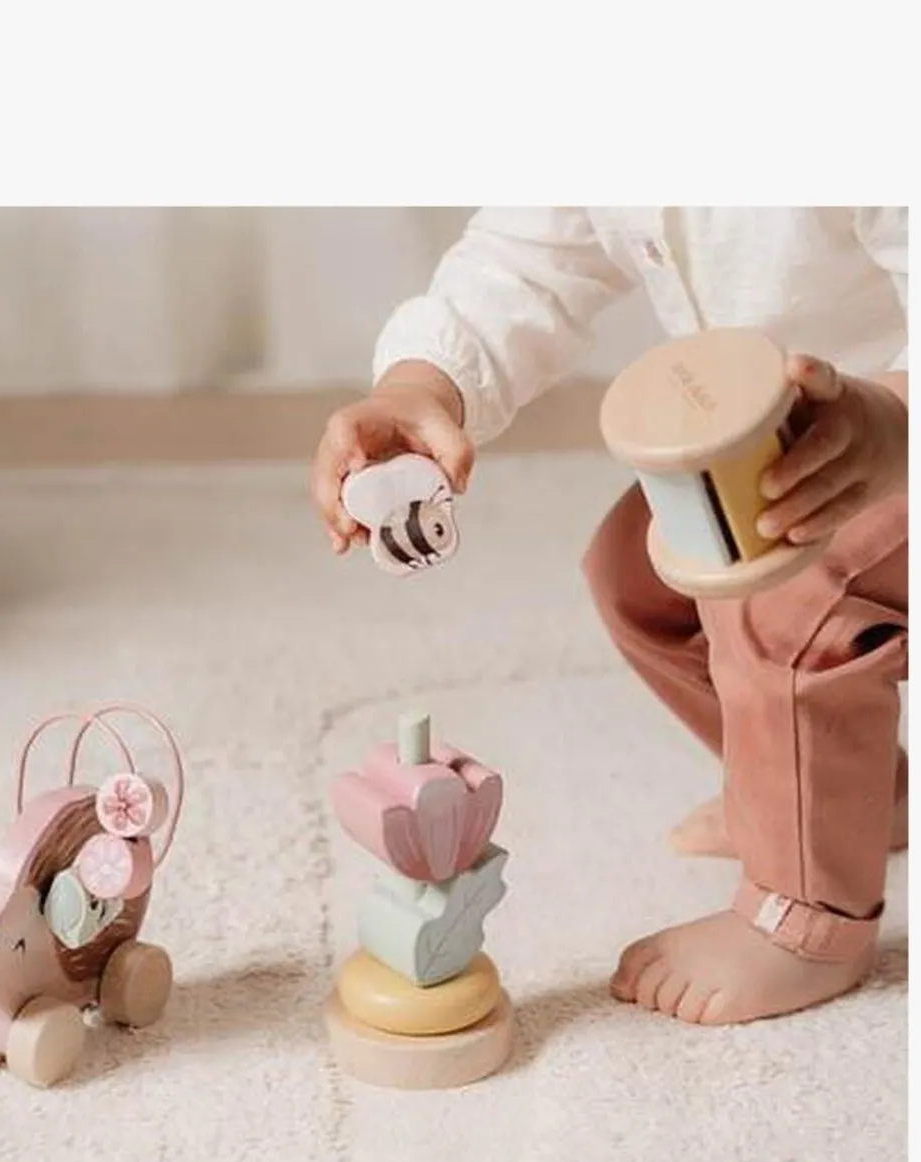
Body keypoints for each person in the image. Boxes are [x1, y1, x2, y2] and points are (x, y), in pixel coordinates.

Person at [310, 208, 908, 1025]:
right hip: (772, 441)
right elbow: (526, 261)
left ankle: (805, 923)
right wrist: (419, 386)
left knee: (778, 602)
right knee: (639, 576)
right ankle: (846, 799)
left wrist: (893, 425)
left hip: (894, 432)